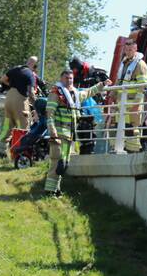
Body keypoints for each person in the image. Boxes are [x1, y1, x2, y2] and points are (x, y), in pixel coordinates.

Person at [44, 68, 111, 196]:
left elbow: (88, 93)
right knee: (57, 162)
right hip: (59, 133)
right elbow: (49, 114)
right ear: (61, 79)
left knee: (63, 163)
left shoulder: (74, 94)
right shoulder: (56, 93)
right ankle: (49, 191)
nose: (69, 81)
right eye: (66, 78)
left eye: (71, 79)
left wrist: (102, 84)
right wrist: (53, 132)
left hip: (69, 134)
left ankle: (55, 189)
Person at [0, 55, 39, 157]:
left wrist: (11, 86)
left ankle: (0, 151)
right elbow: (31, 92)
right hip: (20, 102)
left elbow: (3, 79)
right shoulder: (30, 74)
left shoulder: (15, 69)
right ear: (34, 66)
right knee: (23, 127)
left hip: (9, 99)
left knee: (7, 126)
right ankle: (20, 153)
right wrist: (36, 105)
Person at [113, 38, 147, 152]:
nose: (128, 52)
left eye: (130, 49)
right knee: (120, 127)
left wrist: (137, 104)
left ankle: (133, 152)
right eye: (126, 49)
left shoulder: (140, 64)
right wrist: (113, 95)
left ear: (135, 49)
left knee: (133, 129)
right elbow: (119, 81)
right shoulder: (124, 63)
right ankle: (121, 149)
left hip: (133, 103)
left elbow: (142, 85)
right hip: (121, 103)